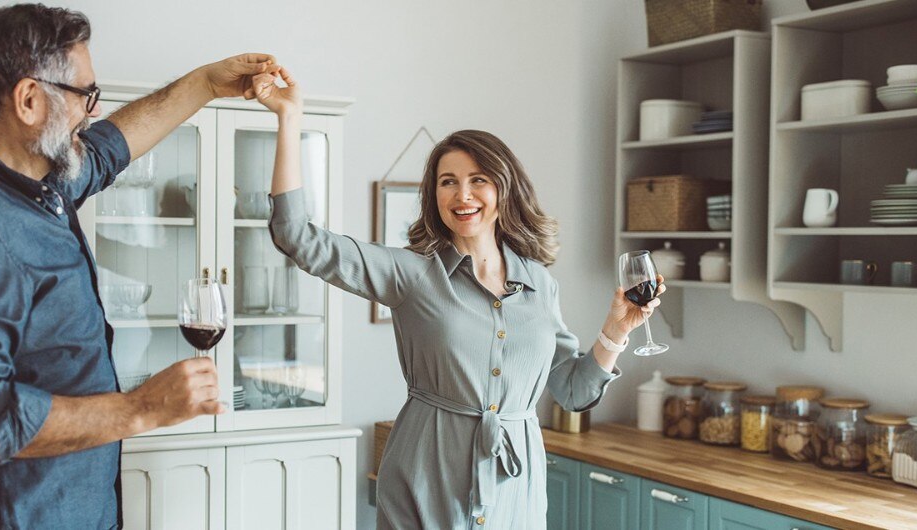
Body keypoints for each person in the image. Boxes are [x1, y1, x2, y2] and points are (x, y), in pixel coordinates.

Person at [0, 5, 278, 528]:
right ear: (28, 99)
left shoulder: (33, 178)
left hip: (75, 506)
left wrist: (206, 82)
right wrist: (142, 408)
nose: (91, 112)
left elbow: (109, 148)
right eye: (84, 96)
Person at [252, 71, 665, 529]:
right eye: (448, 182)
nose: (463, 195)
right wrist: (290, 118)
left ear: (503, 189)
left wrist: (617, 329)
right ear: (434, 194)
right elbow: (297, 238)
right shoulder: (410, 273)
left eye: (478, 180)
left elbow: (573, 391)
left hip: (515, 492)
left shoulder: (540, 284)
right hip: (426, 480)